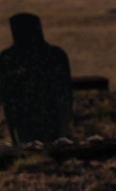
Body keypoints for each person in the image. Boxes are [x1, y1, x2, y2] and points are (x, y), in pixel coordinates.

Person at [0, 12, 74, 144]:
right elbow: (66, 95)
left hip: (25, 118)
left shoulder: (8, 59)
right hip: (47, 118)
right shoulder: (56, 55)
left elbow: (6, 98)